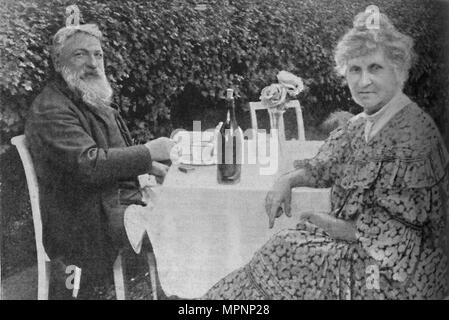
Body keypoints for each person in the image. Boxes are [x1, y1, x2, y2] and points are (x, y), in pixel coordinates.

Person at [204, 11, 449, 299]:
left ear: (397, 71)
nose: (364, 80)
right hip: (354, 247)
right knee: (282, 250)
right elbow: (324, 167)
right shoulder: (362, 124)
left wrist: (322, 221)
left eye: (375, 68)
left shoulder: (414, 135)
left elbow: (389, 234)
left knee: (287, 252)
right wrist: (288, 180)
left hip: (393, 272)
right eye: (355, 69)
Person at [25, 23, 175, 299]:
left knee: (186, 207)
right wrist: (148, 152)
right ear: (58, 62)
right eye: (80, 55)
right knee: (182, 223)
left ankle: (184, 289)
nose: (93, 64)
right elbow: (88, 165)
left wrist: (147, 166)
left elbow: (107, 152)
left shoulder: (86, 98)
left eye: (98, 55)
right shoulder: (50, 109)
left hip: (109, 203)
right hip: (84, 219)